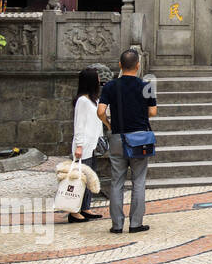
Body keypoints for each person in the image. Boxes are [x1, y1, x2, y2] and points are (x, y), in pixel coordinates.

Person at [97, 48, 157, 234]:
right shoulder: (146, 85)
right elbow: (153, 112)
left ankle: (116, 225)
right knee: (139, 180)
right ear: (138, 65)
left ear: (120, 65)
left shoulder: (110, 86)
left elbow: (100, 111)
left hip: (117, 136)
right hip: (139, 139)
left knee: (117, 181)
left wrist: (108, 125)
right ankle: (135, 223)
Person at [64, 67, 106, 223]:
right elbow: (79, 125)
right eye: (96, 77)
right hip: (84, 146)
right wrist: (79, 146)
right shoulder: (82, 101)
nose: (99, 80)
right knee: (79, 179)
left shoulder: (93, 99)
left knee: (90, 177)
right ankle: (74, 211)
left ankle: (85, 207)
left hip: (93, 145)